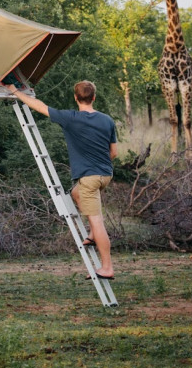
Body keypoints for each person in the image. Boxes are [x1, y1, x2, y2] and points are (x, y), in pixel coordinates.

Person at [7, 81, 118, 279]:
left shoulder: (70, 118)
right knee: (76, 193)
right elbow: (114, 153)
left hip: (89, 178)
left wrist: (15, 92)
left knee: (97, 222)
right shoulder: (107, 120)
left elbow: (40, 106)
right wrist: (99, 166)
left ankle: (107, 267)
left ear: (76, 98)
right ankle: (93, 234)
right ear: (94, 97)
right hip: (105, 175)